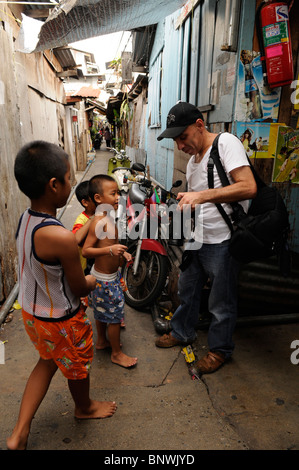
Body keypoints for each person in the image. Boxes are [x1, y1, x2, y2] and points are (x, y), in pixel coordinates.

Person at [7, 141, 117, 450]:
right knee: (78, 366)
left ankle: (19, 433)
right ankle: (84, 408)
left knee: (47, 361)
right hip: (62, 320)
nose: (72, 183)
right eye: (69, 178)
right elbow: (79, 287)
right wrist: (96, 280)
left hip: (32, 315)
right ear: (54, 185)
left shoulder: (26, 219)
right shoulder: (60, 237)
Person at [155, 102, 257, 374]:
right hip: (198, 239)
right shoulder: (191, 163)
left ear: (199, 125)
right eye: (176, 140)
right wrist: (186, 206)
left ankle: (219, 350)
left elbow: (248, 187)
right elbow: (199, 201)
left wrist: (201, 196)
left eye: (183, 137)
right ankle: (182, 331)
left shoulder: (226, 144)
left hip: (223, 240)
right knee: (187, 290)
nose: (180, 146)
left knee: (220, 302)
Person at [82, 174, 137, 368]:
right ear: (98, 198)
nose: (117, 198)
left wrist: (122, 254)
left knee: (100, 312)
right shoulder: (99, 221)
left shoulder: (108, 217)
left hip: (108, 278)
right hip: (104, 280)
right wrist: (110, 250)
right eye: (113, 194)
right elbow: (86, 250)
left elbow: (112, 244)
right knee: (114, 318)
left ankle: (102, 342)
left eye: (118, 193)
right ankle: (116, 353)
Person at [72, 180, 96, 275]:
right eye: (95, 198)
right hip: (86, 267)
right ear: (85, 202)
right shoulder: (82, 219)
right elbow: (76, 239)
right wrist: (91, 220)